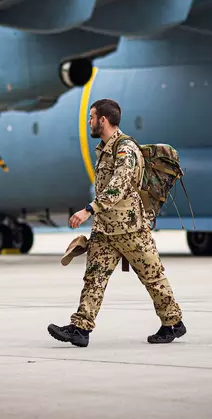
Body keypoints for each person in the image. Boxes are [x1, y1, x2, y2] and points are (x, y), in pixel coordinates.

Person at [48, 99, 185, 347]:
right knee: (94, 277)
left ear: (103, 120)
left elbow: (118, 186)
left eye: (92, 117)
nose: (89, 122)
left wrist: (89, 210)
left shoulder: (125, 149)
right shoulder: (104, 148)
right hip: (105, 229)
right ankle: (81, 328)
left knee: (152, 276)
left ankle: (173, 323)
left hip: (130, 228)